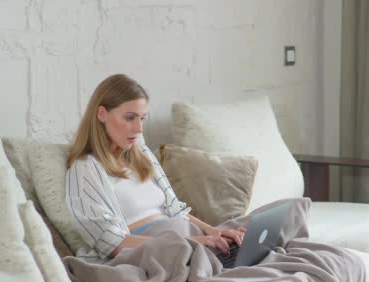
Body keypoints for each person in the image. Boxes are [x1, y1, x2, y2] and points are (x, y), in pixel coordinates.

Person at [65, 74, 245, 263]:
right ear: (101, 114)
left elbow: (177, 212)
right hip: (160, 249)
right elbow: (113, 244)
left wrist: (214, 231)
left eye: (142, 118)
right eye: (130, 118)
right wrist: (191, 241)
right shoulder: (85, 168)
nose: (139, 128)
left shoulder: (141, 154)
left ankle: (231, 253)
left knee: (259, 226)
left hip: (185, 236)